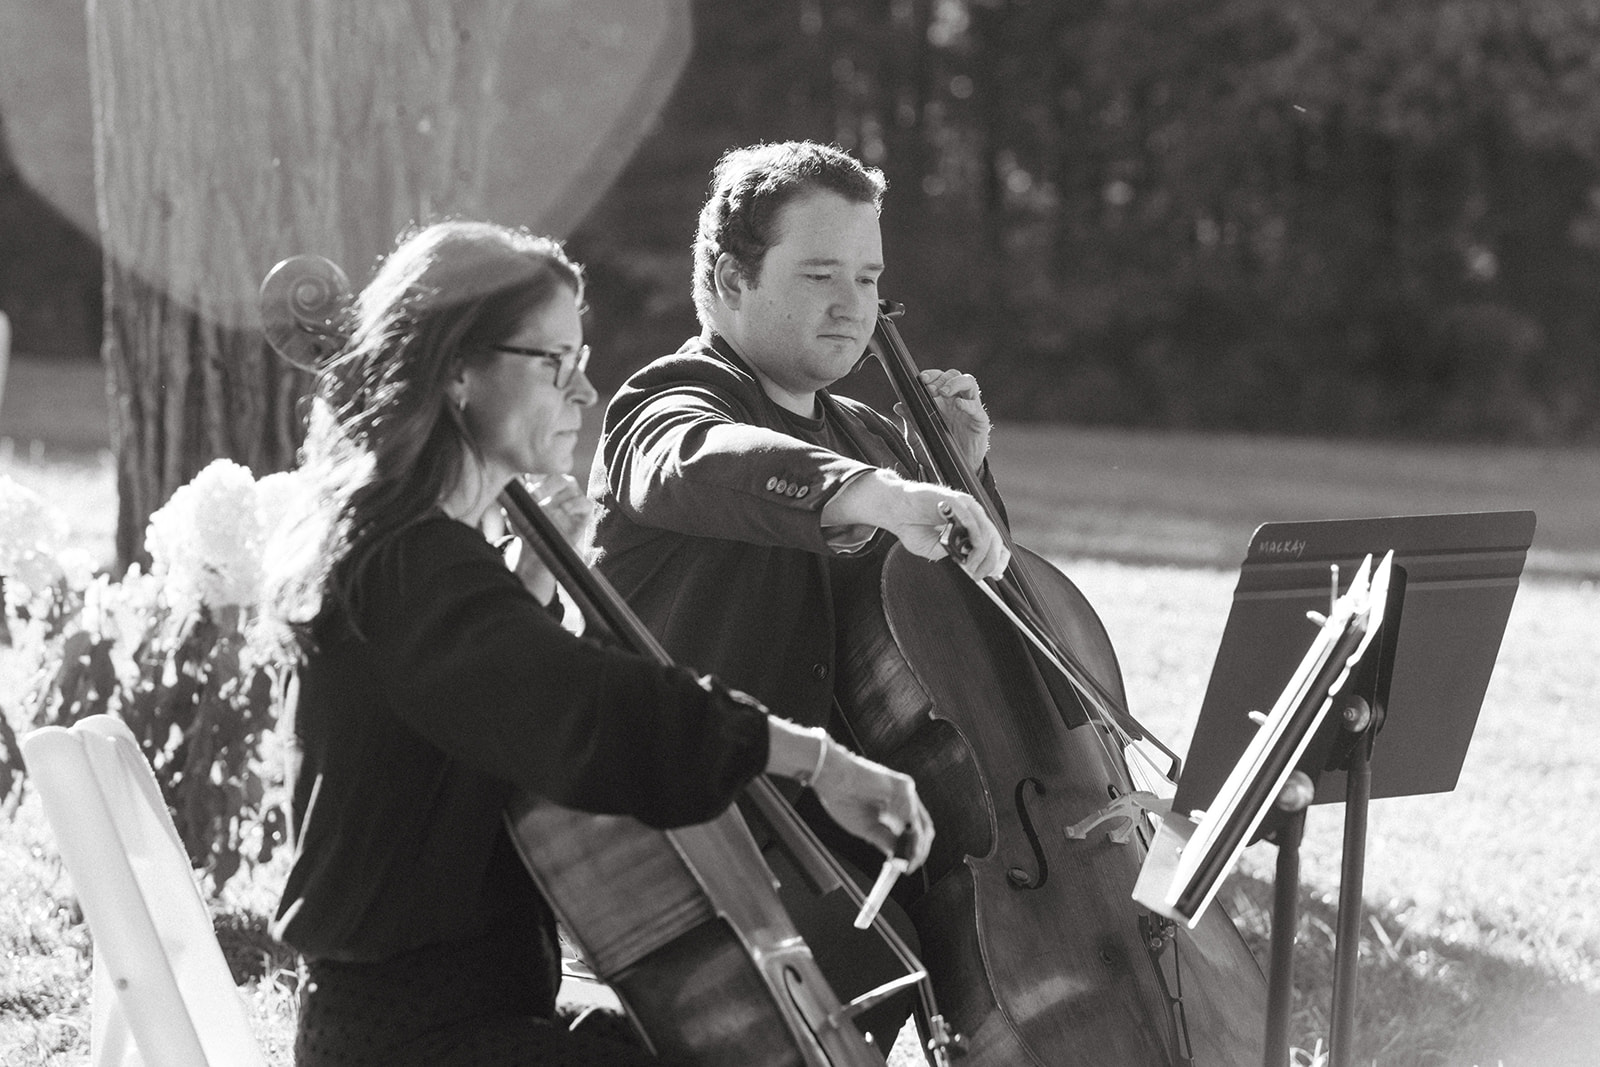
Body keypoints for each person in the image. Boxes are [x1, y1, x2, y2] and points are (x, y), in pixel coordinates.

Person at [259, 219, 933, 1067]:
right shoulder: (408, 559)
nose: (582, 392)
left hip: (468, 1014)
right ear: (457, 371)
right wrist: (819, 762)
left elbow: (489, 699)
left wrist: (533, 583)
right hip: (417, 1040)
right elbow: (593, 705)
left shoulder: (415, 549)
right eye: (554, 363)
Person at [587, 141, 1010, 1054]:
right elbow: (695, 459)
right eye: (820, 274)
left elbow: (965, 631)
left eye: (869, 278)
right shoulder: (670, 400)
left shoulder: (868, 434)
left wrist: (959, 474)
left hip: (841, 834)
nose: (854, 305)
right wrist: (871, 492)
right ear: (729, 279)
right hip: (701, 838)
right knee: (868, 955)